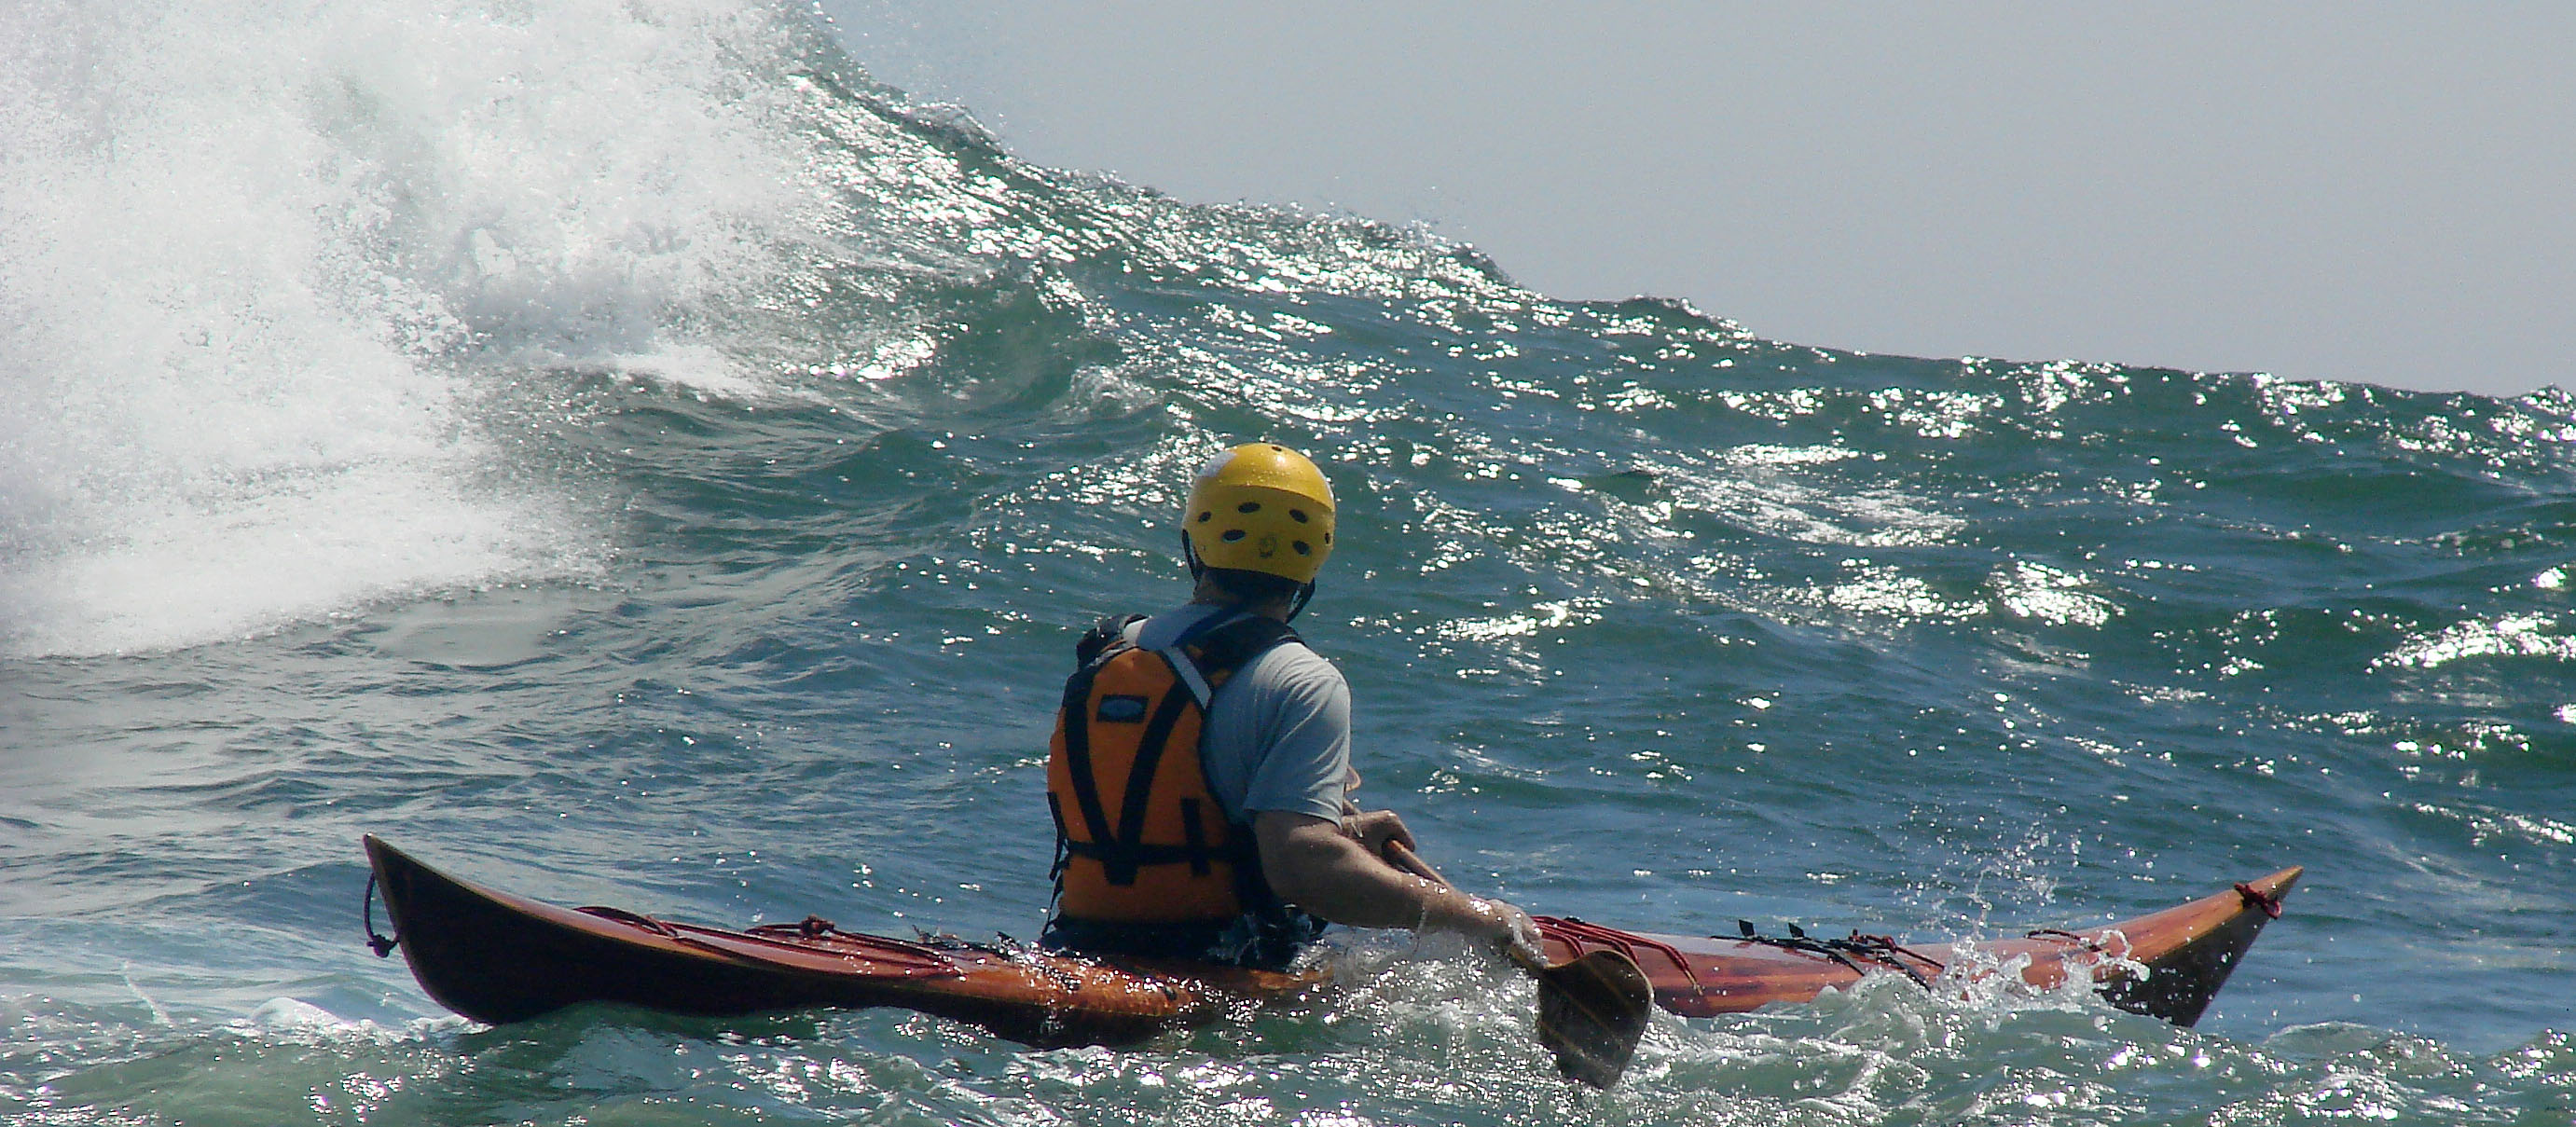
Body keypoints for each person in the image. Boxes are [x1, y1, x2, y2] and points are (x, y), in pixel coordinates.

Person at [1040, 441, 1537, 970]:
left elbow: (1185, 805)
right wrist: (1472, 915)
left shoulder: (1112, 651)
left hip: (1077, 946)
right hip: (1222, 968)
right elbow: (1303, 866)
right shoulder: (1302, 680)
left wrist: (1340, 832)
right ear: (1316, 556)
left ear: (1194, 543)